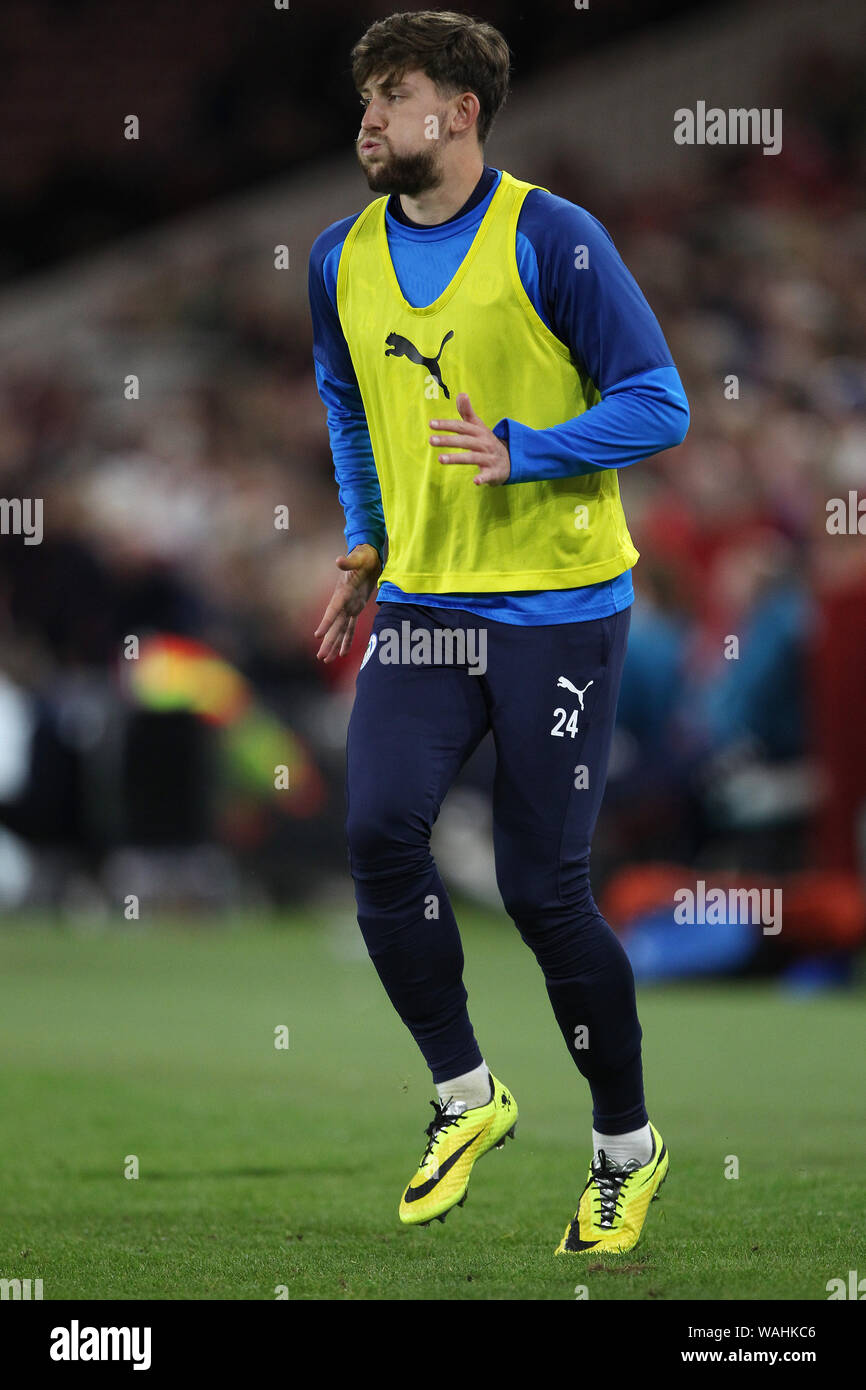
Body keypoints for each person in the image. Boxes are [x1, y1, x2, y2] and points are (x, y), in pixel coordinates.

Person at [307, 9, 688, 1254]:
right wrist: (367, 540)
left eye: (394, 93)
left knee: (539, 888)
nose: (368, 115)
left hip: (558, 609)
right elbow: (347, 402)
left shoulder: (552, 237)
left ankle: (624, 1148)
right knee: (373, 832)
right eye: (363, 94)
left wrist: (527, 453)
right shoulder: (337, 257)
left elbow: (658, 402)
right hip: (423, 604)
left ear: (460, 112)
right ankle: (466, 1095)